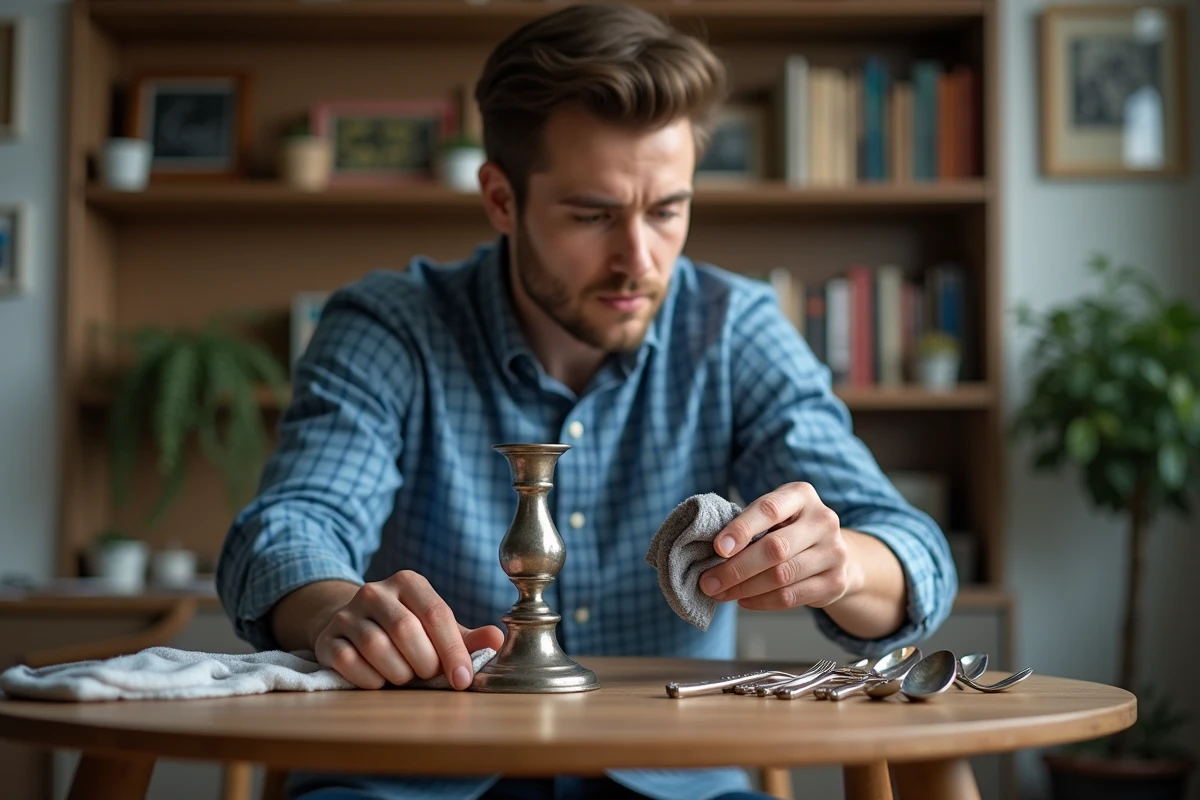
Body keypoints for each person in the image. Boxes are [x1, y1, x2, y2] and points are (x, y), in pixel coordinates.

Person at [216, 4, 957, 799]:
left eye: (667, 210)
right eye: (593, 215)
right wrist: (337, 610)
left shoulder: (735, 332)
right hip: (415, 775)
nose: (637, 259)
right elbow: (286, 530)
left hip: (675, 777)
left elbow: (914, 552)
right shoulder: (390, 327)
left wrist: (842, 565)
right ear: (501, 200)